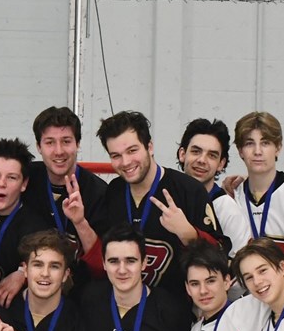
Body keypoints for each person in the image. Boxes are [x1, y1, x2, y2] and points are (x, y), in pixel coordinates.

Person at [89, 110, 223, 301]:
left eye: (132, 150)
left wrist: (188, 233)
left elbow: (219, 255)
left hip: (175, 312)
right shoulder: (114, 191)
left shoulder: (189, 190)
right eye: (116, 155)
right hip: (123, 308)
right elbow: (101, 257)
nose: (126, 162)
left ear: (149, 147)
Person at [24, 106, 107, 272]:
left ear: (78, 144)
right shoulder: (26, 177)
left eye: (66, 141)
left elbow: (102, 266)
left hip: (81, 288)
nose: (59, 151)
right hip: (34, 283)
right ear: (38, 147)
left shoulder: (98, 192)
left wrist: (80, 222)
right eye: (49, 142)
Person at [233, 112, 284, 276]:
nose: (257, 151)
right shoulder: (233, 197)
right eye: (249, 143)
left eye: (265, 143)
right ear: (240, 151)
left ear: (278, 148)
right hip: (246, 296)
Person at [0, 138, 52, 305]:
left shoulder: (36, 228)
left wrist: (23, 273)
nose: (1, 183)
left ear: (24, 184)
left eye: (11, 178)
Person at [176, 118, 251, 253]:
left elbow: (240, 265)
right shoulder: (164, 196)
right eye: (196, 151)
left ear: (221, 164)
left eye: (212, 155)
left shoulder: (227, 210)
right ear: (182, 154)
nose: (202, 160)